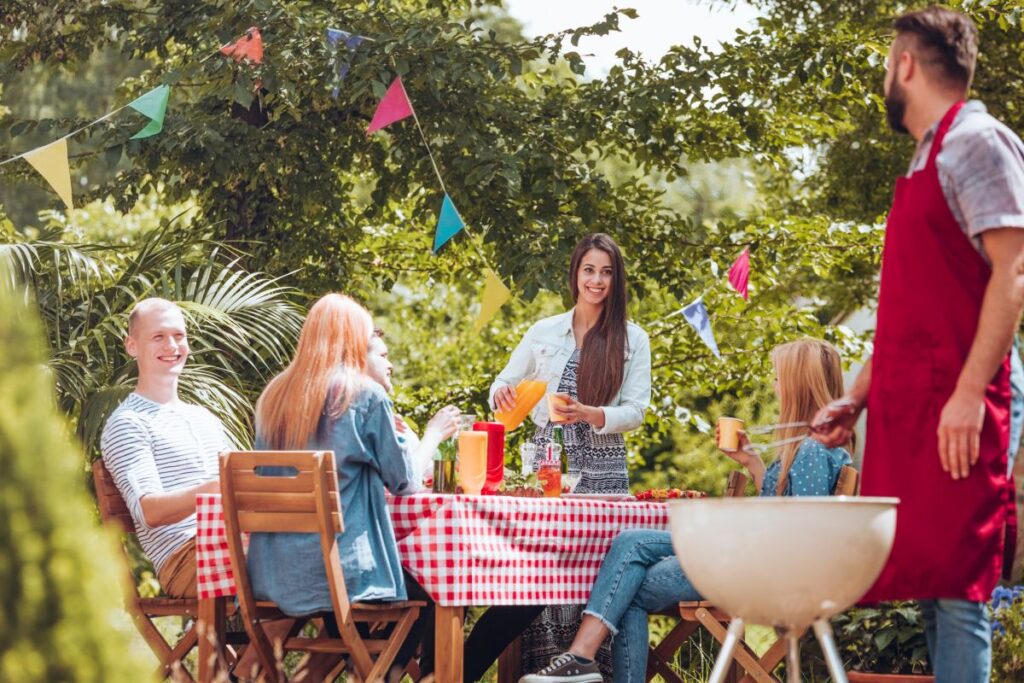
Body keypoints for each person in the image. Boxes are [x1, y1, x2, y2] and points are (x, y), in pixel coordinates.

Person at [813, 8, 1024, 682]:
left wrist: (968, 394)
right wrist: (856, 397)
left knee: (959, 585)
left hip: (965, 393)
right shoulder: (925, 156)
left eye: (887, 63)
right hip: (917, 398)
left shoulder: (980, 143)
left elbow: (1014, 272)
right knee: (933, 580)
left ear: (905, 64)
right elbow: (907, 314)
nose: (885, 76)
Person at [520, 338, 853, 683]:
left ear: (799, 386)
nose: (775, 386)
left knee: (628, 585)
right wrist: (752, 462)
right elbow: (782, 509)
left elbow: (803, 535)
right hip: (751, 558)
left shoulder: (813, 451)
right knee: (630, 541)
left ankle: (580, 658)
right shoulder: (807, 446)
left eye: (779, 378)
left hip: (759, 572)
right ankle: (581, 658)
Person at [490, 232, 652, 676]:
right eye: (589, 270)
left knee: (600, 573)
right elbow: (502, 382)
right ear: (575, 273)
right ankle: (542, 673)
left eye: (606, 272)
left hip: (604, 465)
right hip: (548, 461)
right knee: (545, 569)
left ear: (616, 280)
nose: (596, 281)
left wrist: (590, 413)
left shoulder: (633, 338)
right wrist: (501, 393)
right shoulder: (544, 331)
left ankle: (589, 668)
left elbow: (637, 410)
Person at [101, 298, 231, 599]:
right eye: (158, 337)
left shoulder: (205, 418)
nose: (172, 345)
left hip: (236, 541)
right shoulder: (127, 422)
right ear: (132, 346)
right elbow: (150, 511)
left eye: (178, 335)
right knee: (302, 562)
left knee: (324, 553)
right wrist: (217, 488)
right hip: (187, 558)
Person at [366, 327, 460, 489]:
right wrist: (435, 433)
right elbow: (407, 481)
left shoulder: (388, 421)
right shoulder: (363, 417)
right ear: (358, 360)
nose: (390, 365)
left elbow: (427, 473)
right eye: (383, 356)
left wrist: (458, 457)